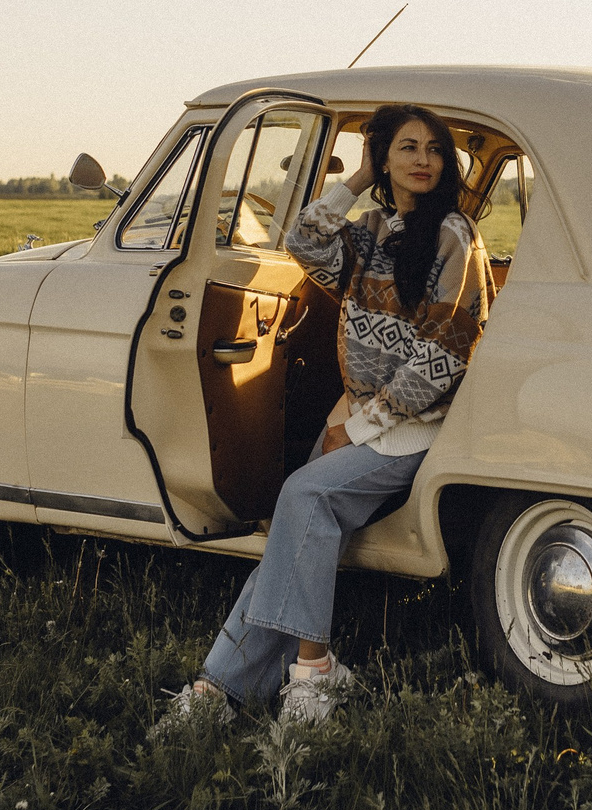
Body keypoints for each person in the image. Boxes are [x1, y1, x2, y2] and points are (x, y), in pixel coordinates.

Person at [157, 104, 494, 731]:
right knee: (291, 535)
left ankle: (313, 673)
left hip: (421, 427)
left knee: (303, 496)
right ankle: (218, 688)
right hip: (364, 418)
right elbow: (302, 240)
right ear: (383, 158)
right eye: (407, 148)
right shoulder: (370, 228)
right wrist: (357, 178)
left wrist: (361, 424)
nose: (424, 160)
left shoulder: (455, 234)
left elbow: (447, 353)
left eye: (435, 151)